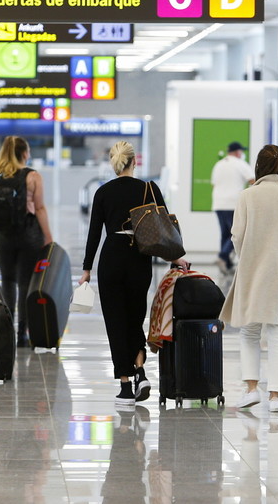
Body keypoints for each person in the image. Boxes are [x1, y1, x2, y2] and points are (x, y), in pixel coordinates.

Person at [79, 141, 186, 408]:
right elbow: (164, 230)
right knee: (135, 316)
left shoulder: (102, 192)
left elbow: (94, 234)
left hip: (111, 257)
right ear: (133, 161)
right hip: (138, 257)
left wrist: (86, 269)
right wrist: (176, 257)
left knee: (115, 322)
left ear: (114, 163)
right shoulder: (148, 189)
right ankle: (140, 370)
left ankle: (126, 385)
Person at [219, 145, 278, 413]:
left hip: (254, 270)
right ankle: (276, 396)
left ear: (258, 168)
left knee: (250, 331)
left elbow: (237, 235)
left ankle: (251, 389)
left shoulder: (247, 196)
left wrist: (249, 253)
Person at [0, 136, 54, 347]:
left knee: (9, 282)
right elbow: (39, 208)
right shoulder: (33, 176)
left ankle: (7, 331)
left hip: (4, 235)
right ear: (24, 153)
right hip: (29, 234)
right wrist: (48, 237)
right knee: (25, 284)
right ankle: (23, 333)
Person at [210, 141, 254, 274]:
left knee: (224, 233)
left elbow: (213, 183)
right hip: (233, 203)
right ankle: (223, 257)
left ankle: (227, 264)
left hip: (218, 203)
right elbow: (253, 180)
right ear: (238, 152)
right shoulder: (240, 164)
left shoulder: (219, 164)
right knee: (235, 233)